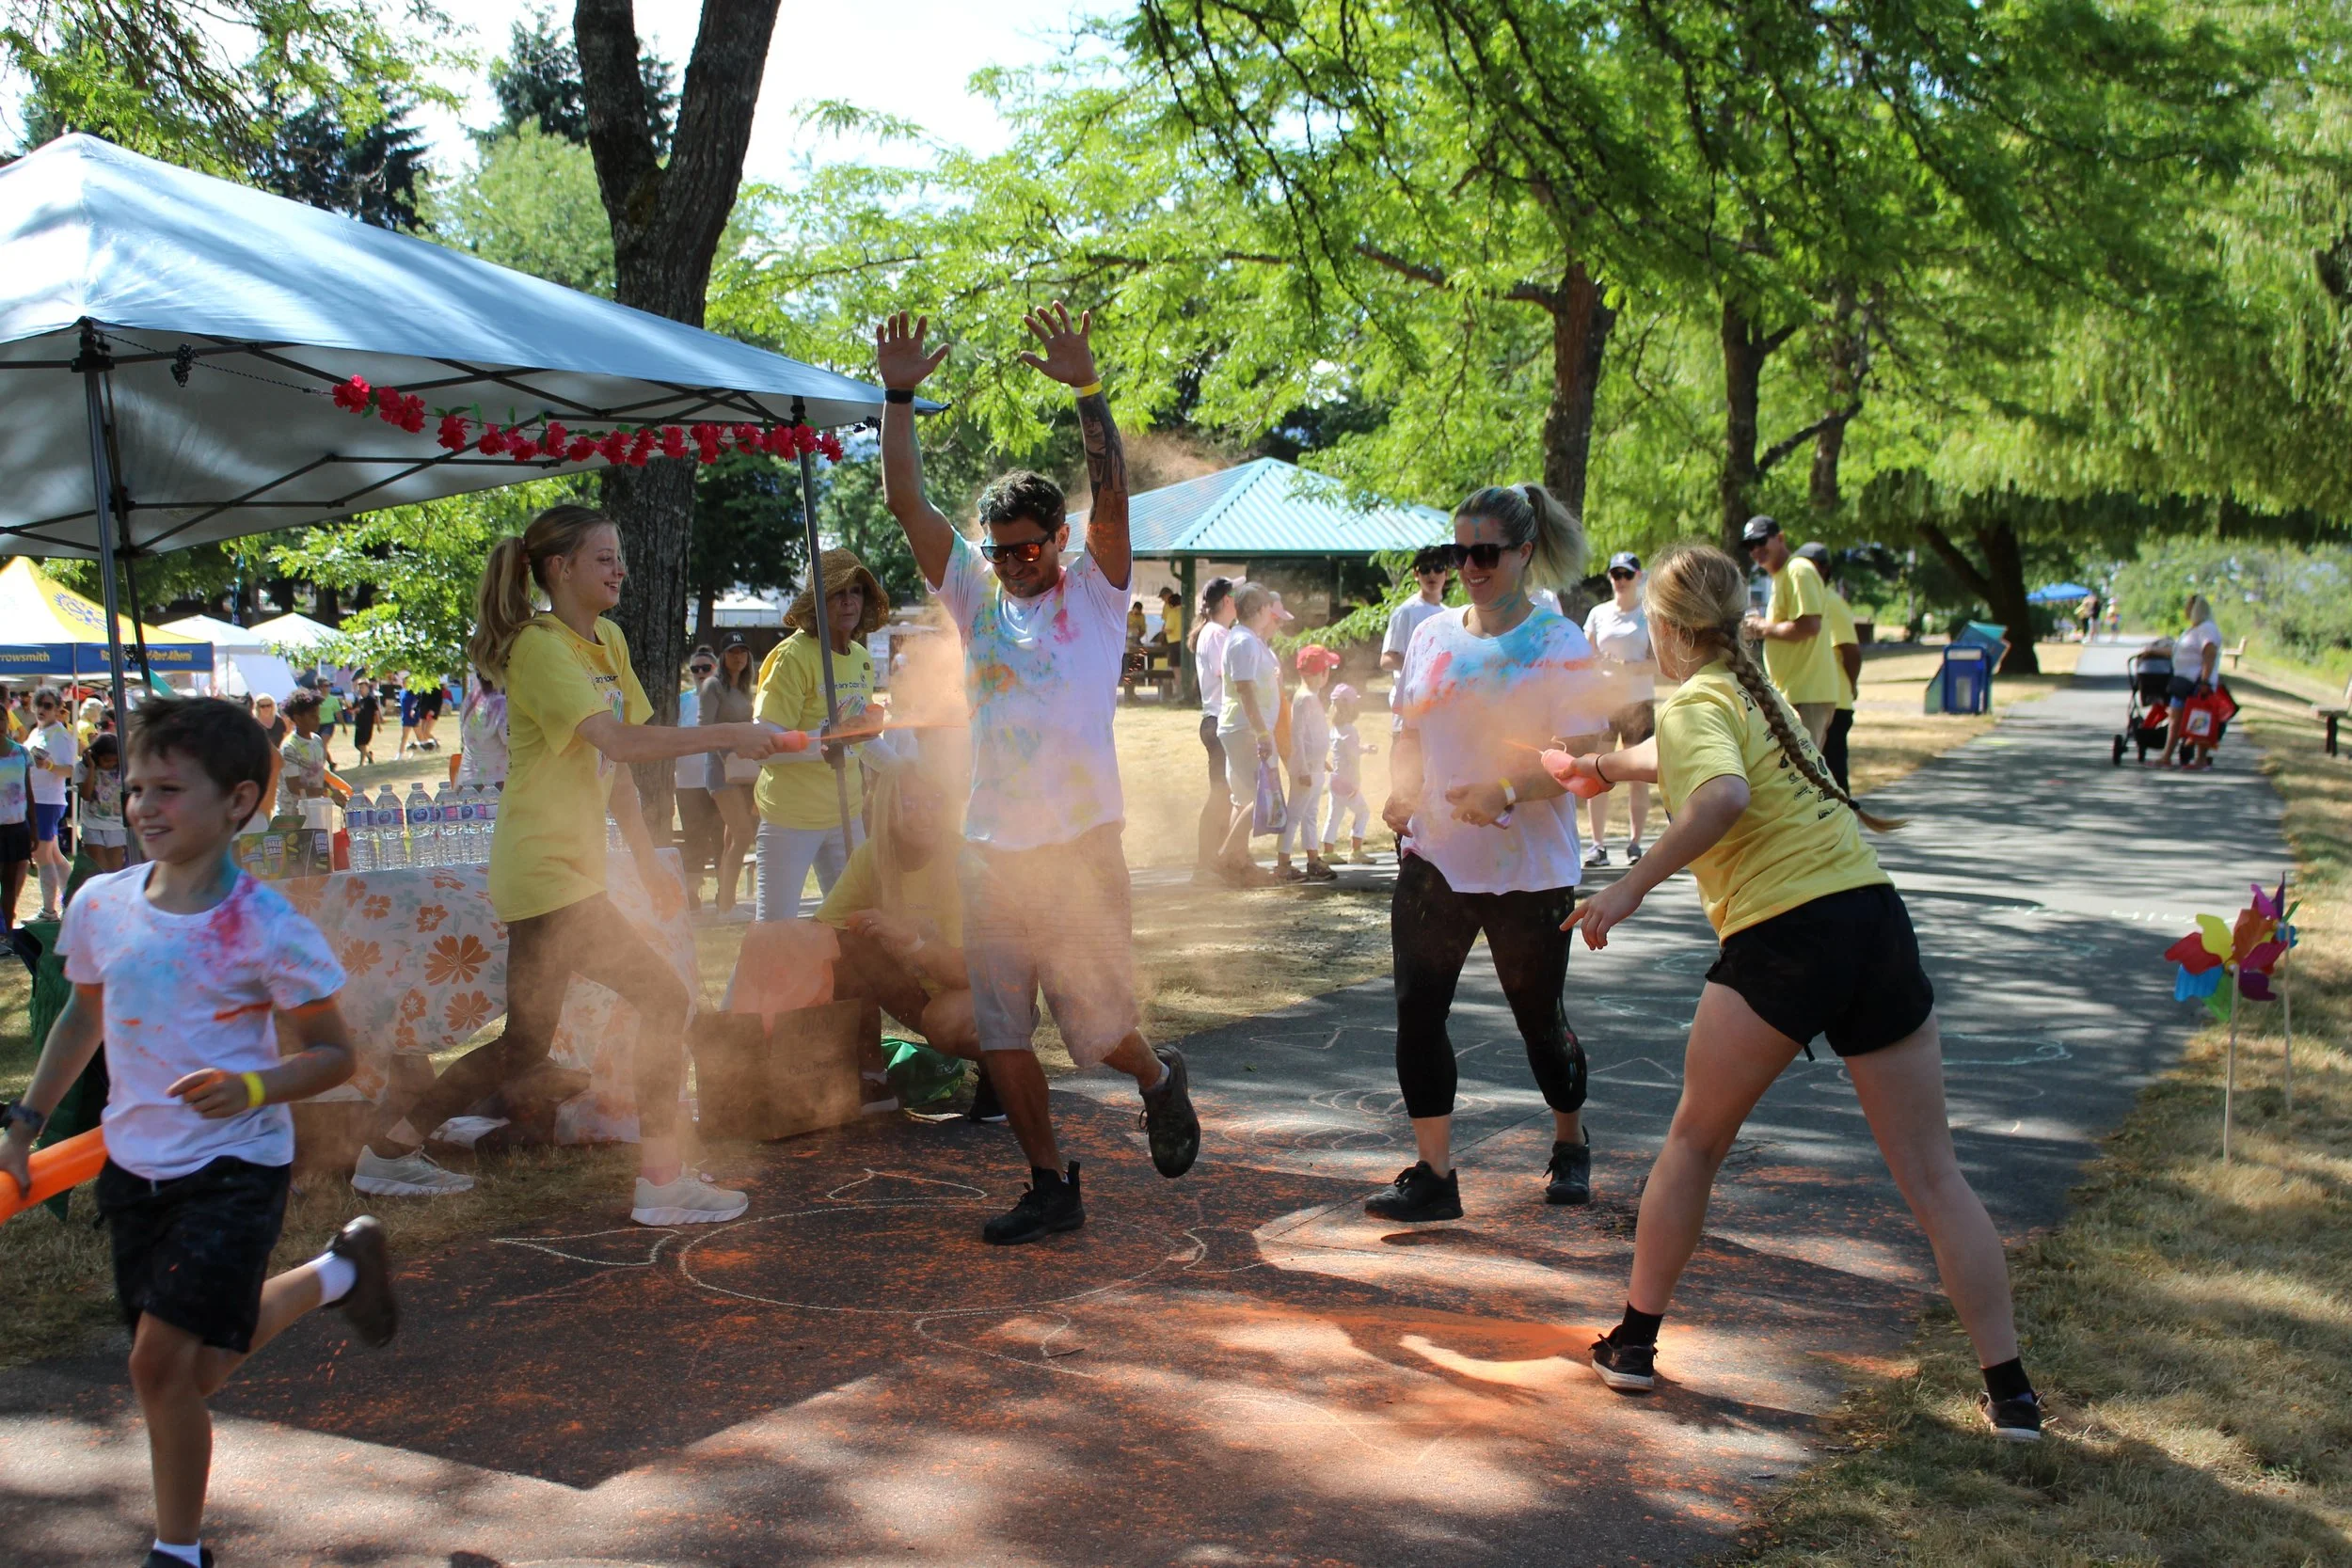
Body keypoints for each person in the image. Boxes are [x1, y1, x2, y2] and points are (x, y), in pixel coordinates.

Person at [1561, 544, 2042, 1442]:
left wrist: (1627, 887)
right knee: (1936, 1176)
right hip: (1871, 920)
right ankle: (2012, 1395)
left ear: (1665, 631)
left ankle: (1632, 1343)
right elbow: (1688, 760)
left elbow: (1721, 795)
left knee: (1695, 1142)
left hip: (1785, 935)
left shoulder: (1699, 697)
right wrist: (1593, 768)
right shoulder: (1756, 692)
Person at [0, 695, 401, 1568]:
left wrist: (251, 1084)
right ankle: (340, 1270)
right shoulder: (100, 903)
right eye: (137, 786)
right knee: (198, 1371)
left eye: (169, 789)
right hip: (134, 1169)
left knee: (156, 1369)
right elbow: (81, 1021)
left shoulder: (266, 925)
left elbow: (335, 1054)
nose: (143, 804)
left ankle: (177, 1553)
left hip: (234, 1166)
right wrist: (25, 1121)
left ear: (239, 801)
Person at [875, 303, 1200, 1244]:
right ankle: (1050, 1182)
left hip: (1079, 848)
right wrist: (898, 396)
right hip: (992, 854)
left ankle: (1156, 1076)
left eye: (1029, 545)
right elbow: (907, 501)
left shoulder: (1096, 596)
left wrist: (1089, 393)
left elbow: (1116, 492)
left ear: (1060, 538)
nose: (1014, 562)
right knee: (1004, 1029)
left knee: (1095, 1029)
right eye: (1001, 548)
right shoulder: (974, 597)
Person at [353, 505, 781, 1218]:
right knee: (664, 997)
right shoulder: (537, 647)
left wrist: (644, 860)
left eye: (619, 557)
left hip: (565, 870)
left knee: (523, 1043)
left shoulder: (605, 638)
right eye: (604, 558)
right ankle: (662, 1179)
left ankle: (388, 1150)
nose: (620, 570)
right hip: (544, 869)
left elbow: (616, 768)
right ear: (560, 569)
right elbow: (621, 741)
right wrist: (734, 731)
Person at [1371, 484, 1609, 1223]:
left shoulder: (1559, 644)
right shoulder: (1431, 635)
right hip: (1435, 860)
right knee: (1417, 1013)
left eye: (1485, 553)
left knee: (1540, 1024)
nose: (1468, 566)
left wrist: (1508, 788)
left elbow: (1591, 757)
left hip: (1527, 872)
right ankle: (1434, 1173)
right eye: (1458, 552)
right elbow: (1410, 731)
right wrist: (1402, 792)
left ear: (1524, 553)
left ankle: (1570, 1138)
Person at [815, 763, 991, 1101]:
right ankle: (871, 1079)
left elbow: (962, 972)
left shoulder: (963, 859)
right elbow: (820, 930)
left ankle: (999, 1062)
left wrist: (909, 938)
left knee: (943, 1021)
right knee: (841, 946)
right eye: (909, 804)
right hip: (921, 992)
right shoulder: (871, 857)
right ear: (887, 809)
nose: (924, 815)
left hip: (986, 992)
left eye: (934, 801)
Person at [753, 549, 887, 920]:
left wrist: (905, 770)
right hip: (790, 819)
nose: (849, 602)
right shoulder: (792, 656)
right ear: (816, 603)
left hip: (847, 813)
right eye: (837, 593)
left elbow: (861, 739)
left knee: (855, 926)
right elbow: (766, 744)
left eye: (857, 591)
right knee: (775, 932)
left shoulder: (860, 656)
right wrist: (830, 738)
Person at [1738, 515, 1841, 747]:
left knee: (1804, 775)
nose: (1755, 550)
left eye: (1761, 541)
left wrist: (1763, 627)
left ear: (1781, 538)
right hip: (1794, 694)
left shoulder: (1798, 570)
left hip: (1808, 694)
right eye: (1749, 545)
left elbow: (1810, 625)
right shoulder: (1781, 576)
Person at [1212, 582, 1290, 886]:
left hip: (1246, 727)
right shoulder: (1243, 641)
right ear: (1260, 610)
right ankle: (1226, 857)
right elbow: (1244, 689)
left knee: (1243, 798)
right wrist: (1261, 731)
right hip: (1245, 728)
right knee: (1260, 798)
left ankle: (1238, 864)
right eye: (1268, 609)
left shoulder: (1249, 639)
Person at [1581, 550, 1656, 866]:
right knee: (1597, 772)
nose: (1620, 581)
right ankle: (1597, 846)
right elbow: (1584, 655)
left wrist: (1631, 668)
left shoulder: (1649, 615)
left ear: (1638, 576)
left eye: (1627, 575)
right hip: (1604, 702)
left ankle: (1635, 844)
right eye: (1615, 574)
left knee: (1638, 776)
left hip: (1638, 702)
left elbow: (1661, 663)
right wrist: (1598, 664)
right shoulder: (1598, 613)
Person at [692, 633, 760, 918]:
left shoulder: (744, 689)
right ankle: (726, 906)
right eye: (733, 651)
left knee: (734, 838)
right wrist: (727, 755)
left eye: (743, 651)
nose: (739, 656)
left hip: (744, 771)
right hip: (722, 771)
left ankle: (726, 904)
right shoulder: (712, 686)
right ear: (723, 656)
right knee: (743, 835)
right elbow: (703, 729)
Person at [1795, 543, 1863, 793]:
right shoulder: (1803, 601)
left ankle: (1845, 830)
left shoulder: (1830, 602)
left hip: (1834, 700)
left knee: (1833, 777)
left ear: (1824, 570)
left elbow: (1851, 651)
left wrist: (1852, 686)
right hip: (1809, 695)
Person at [1189, 577, 1238, 880]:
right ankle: (1206, 863)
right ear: (1227, 601)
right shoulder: (1218, 633)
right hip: (1220, 721)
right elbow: (1228, 673)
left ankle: (1216, 861)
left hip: (1214, 721)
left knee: (1223, 793)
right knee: (1222, 795)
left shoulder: (1212, 631)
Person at [1278, 644, 1341, 882]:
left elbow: (1311, 735)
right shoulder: (1303, 699)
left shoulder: (1311, 698)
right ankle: (1283, 864)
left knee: (1311, 814)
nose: (1328, 675)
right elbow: (1297, 736)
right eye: (1327, 669)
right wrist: (1303, 768)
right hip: (1305, 770)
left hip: (1313, 767)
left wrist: (1320, 760)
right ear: (1320, 673)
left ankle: (1313, 859)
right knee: (1295, 815)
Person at [1382, 546, 1454, 735]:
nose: (1432, 574)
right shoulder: (1405, 612)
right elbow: (1387, 659)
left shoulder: (1449, 614)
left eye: (1438, 568)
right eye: (1425, 569)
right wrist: (1423, 665)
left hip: (1438, 716)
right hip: (1408, 717)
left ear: (1447, 573)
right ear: (1416, 574)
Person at [674, 649, 721, 911]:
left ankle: (725, 895)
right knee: (694, 841)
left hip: (720, 781)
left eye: (706, 668)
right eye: (696, 669)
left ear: (715, 668)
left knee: (722, 838)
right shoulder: (681, 702)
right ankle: (692, 894)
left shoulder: (725, 698)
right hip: (687, 783)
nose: (701, 674)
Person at [27, 687, 78, 922]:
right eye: (38, 704)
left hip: (47, 801)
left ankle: (49, 911)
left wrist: (48, 767)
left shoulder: (61, 735)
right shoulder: (36, 733)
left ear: (58, 710)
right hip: (36, 800)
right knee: (55, 855)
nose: (41, 709)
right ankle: (73, 902)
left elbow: (70, 770)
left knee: (42, 855)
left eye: (48, 705)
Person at [2166, 594, 2224, 768]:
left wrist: (2205, 682)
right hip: (2183, 682)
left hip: (2197, 682)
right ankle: (2166, 756)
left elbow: (2209, 654)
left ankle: (2200, 760)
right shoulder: (2193, 629)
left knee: (2200, 720)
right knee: (2175, 719)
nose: (2185, 610)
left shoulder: (2207, 629)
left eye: (2188, 606)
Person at [1321, 683, 1373, 865]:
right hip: (1347, 781)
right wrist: (1365, 751)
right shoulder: (1350, 730)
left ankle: (1328, 851)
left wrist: (1364, 748)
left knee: (1334, 815)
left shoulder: (1335, 729)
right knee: (1363, 812)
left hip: (1335, 778)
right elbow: (1352, 754)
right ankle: (1356, 850)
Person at [75, 731, 127, 874]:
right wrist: (92, 768)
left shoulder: (123, 769)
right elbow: (85, 795)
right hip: (92, 823)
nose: (111, 764)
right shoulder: (82, 768)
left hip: (116, 824)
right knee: (99, 870)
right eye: (106, 760)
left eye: (115, 761)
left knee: (115, 871)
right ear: (96, 756)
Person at [454, 673, 510, 790]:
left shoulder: (470, 699)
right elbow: (511, 740)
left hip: (466, 780)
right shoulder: (500, 704)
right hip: (495, 782)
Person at [0, 722, 29, 934]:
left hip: (16, 827)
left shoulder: (21, 752)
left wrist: (34, 827)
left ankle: (8, 932)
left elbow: (29, 791)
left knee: (10, 884)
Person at [277, 689, 330, 803]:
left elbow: (318, 775)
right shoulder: (290, 747)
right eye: (312, 716)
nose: (318, 719)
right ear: (298, 718)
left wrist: (333, 792)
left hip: (314, 809)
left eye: (318, 714)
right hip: (293, 815)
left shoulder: (317, 740)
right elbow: (294, 787)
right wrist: (327, 792)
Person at [348, 678, 380, 767]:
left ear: (367, 688)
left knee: (363, 744)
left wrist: (378, 725)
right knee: (357, 744)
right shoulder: (359, 699)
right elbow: (354, 710)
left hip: (367, 725)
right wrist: (352, 711)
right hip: (359, 724)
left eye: (362, 687)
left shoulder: (371, 699)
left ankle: (361, 763)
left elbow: (376, 712)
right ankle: (369, 756)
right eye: (359, 687)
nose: (360, 689)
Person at [413, 676, 446, 751]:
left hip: (432, 713)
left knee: (426, 732)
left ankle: (436, 744)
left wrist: (433, 710)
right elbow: (420, 701)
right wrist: (415, 710)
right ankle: (427, 747)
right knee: (422, 732)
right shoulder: (424, 690)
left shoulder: (437, 690)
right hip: (423, 712)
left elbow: (439, 702)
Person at [1154, 585, 1185, 650]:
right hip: (1170, 637)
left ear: (1169, 595)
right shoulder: (1165, 606)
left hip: (1179, 637)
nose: (1163, 599)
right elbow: (1165, 621)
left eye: (1163, 597)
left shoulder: (1179, 605)